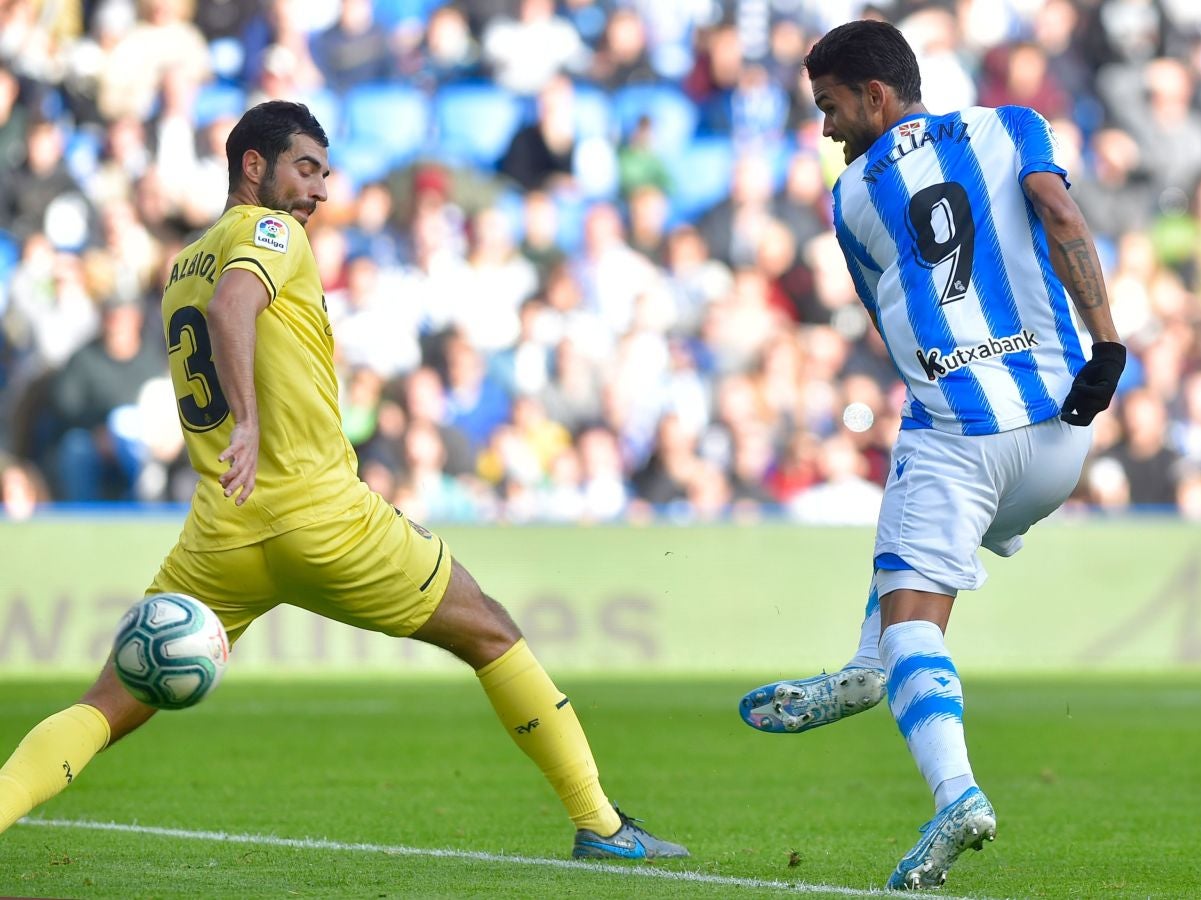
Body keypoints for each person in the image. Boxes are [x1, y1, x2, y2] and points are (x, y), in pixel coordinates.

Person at [0, 101, 687, 862]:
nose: (319, 190)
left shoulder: (179, 264)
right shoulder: (271, 232)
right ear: (252, 166)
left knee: (103, 704)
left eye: (323, 173)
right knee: (489, 629)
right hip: (323, 517)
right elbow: (236, 306)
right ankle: (600, 824)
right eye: (304, 167)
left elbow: (227, 312)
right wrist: (254, 423)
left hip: (219, 536)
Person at [736, 21, 1124, 890]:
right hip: (1065, 434)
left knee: (916, 607)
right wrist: (1108, 344)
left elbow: (891, 324)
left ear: (876, 96)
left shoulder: (851, 198)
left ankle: (950, 784)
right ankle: (869, 665)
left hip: (962, 441)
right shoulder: (1013, 125)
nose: (827, 130)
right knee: (911, 524)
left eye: (831, 108)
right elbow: (1061, 214)